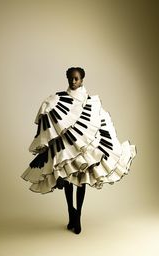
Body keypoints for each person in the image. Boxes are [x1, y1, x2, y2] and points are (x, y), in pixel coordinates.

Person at [21, 67, 137, 234]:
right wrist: (46, 106)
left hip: (85, 147)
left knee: (82, 180)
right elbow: (49, 106)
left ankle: (78, 217)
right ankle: (71, 213)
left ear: (82, 80)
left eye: (76, 79)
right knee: (68, 180)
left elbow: (99, 118)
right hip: (68, 146)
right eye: (71, 79)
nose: (73, 82)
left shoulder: (90, 101)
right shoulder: (61, 98)